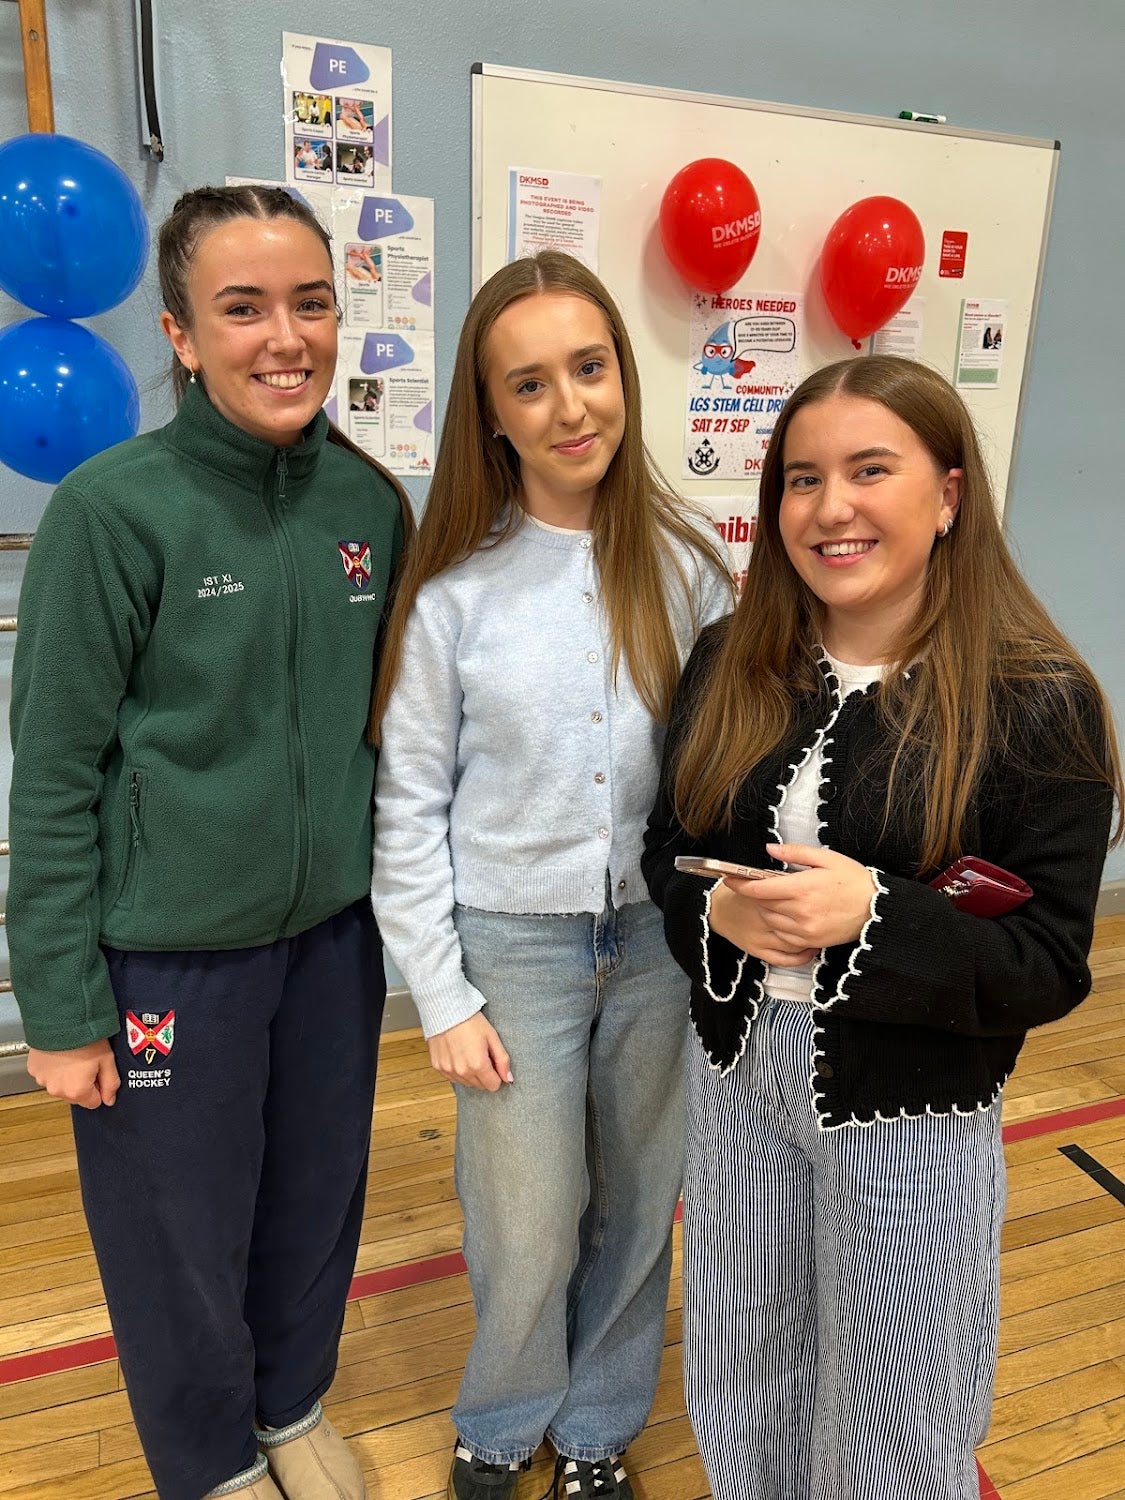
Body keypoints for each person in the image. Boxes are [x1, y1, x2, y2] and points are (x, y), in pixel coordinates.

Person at [641, 354, 1122, 1499]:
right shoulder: (732, 660)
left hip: (910, 1102)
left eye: (870, 470)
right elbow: (665, 849)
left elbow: (1048, 964)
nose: (831, 507)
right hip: (741, 1074)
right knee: (742, 1356)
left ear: (947, 495)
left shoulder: (1036, 701)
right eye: (802, 479)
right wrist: (710, 905)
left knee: (900, 1400)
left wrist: (877, 915)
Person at [8, 184, 413, 1500]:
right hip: (166, 961)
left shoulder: (369, 503)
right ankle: (209, 1461)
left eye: (309, 303)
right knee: (175, 1236)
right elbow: (55, 773)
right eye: (242, 308)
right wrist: (60, 1008)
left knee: (312, 1203)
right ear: (181, 334)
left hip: (330, 944)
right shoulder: (110, 513)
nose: (283, 336)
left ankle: (290, 1403)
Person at [369, 250, 731, 1500]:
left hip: (652, 950)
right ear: (493, 413)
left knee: (637, 1206)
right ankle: (504, 1409)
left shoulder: (689, 574)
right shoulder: (454, 598)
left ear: (623, 375)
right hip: (508, 953)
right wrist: (443, 993)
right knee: (527, 1220)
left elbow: (725, 771)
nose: (571, 406)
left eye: (590, 369)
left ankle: (595, 1428)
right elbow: (408, 809)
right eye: (532, 384)